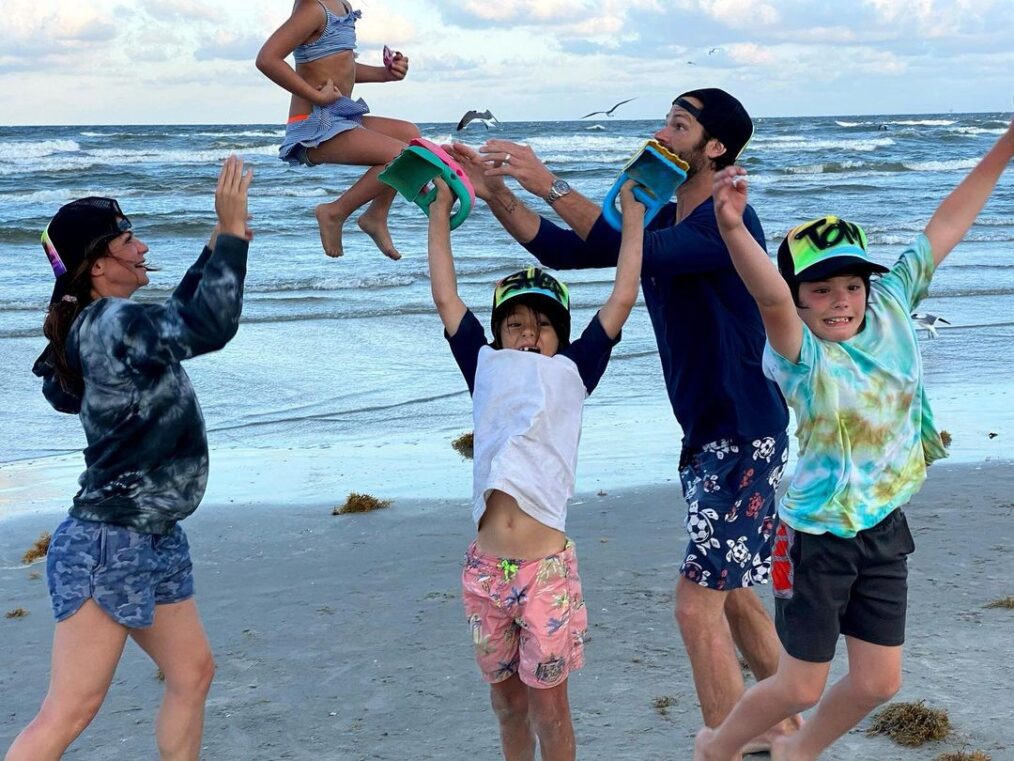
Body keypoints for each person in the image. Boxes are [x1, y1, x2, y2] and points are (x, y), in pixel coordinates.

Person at [447, 89, 796, 749]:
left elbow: (627, 248)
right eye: (666, 118)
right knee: (735, 596)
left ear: (715, 146)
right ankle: (793, 730)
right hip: (710, 435)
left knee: (697, 607)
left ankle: (733, 744)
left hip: (741, 433)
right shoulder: (666, 214)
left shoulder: (725, 224)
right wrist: (493, 192)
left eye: (679, 123)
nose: (663, 131)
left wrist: (547, 179)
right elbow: (565, 250)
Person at [694, 117, 1014, 761]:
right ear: (800, 296)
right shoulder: (800, 353)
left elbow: (947, 223)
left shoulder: (892, 305)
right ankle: (716, 746)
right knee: (800, 684)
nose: (840, 300)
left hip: (883, 523)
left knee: (878, 680)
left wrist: (1005, 148)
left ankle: (796, 752)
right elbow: (770, 300)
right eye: (821, 288)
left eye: (851, 285)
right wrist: (731, 228)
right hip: (816, 537)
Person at [5, 156, 253, 761]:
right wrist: (232, 236)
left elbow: (176, 322)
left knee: (193, 673)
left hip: (151, 535)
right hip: (110, 543)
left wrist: (219, 243)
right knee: (69, 712)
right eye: (127, 239)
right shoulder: (109, 323)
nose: (142, 247)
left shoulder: (108, 325)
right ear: (97, 262)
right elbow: (208, 325)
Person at [427, 177, 642, 760]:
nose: (529, 333)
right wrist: (440, 214)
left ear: (561, 337)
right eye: (516, 323)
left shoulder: (573, 372)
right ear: (497, 333)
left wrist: (635, 218)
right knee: (506, 704)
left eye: (543, 324)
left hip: (545, 572)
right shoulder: (485, 368)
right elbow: (447, 297)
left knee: (551, 706)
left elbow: (622, 297)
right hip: (484, 573)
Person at [256, 0, 418, 259]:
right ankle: (335, 212)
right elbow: (266, 59)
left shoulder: (342, 6)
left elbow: (343, 67)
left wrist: (386, 74)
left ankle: (376, 215)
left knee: (411, 136)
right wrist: (315, 96)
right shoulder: (312, 9)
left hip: (340, 118)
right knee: (406, 156)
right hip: (314, 126)